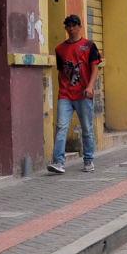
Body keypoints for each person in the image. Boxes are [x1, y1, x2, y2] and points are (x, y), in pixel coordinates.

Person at [48, 14, 102, 174]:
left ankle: (88, 160)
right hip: (65, 94)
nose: (71, 29)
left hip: (84, 94)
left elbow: (95, 68)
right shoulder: (59, 49)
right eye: (68, 26)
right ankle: (58, 161)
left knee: (87, 128)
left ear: (80, 27)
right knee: (61, 127)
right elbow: (61, 72)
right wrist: (61, 90)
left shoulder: (89, 46)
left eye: (74, 25)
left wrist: (90, 87)